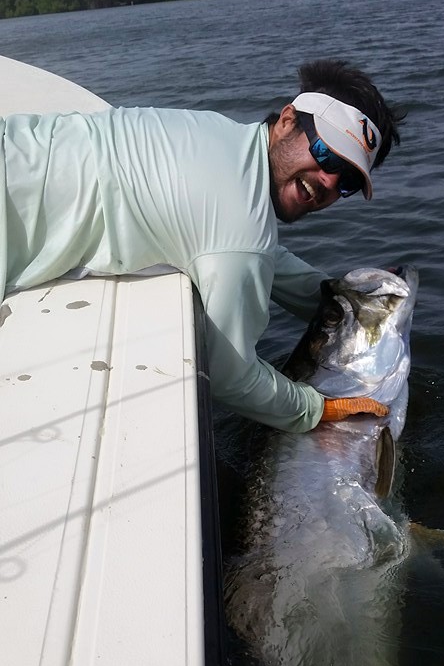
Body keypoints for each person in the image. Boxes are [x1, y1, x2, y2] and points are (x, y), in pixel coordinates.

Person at [0, 58, 403, 432]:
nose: (329, 181)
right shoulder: (242, 229)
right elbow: (230, 377)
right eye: (325, 154)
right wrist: (316, 410)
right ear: (287, 121)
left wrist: (337, 301)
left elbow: (244, 248)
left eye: (347, 180)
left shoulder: (220, 138)